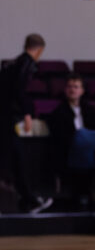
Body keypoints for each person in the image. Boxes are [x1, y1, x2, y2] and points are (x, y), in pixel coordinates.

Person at [0, 33, 52, 214]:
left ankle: (28, 199)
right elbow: (18, 91)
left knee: (15, 158)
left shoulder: (14, 63)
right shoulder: (27, 64)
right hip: (4, 118)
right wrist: (27, 114)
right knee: (3, 159)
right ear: (39, 49)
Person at [48, 75, 95, 207]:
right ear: (65, 90)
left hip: (90, 151)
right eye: (69, 86)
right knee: (81, 136)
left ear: (82, 91)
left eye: (76, 87)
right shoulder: (59, 112)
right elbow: (61, 138)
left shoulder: (90, 111)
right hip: (70, 152)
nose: (72, 90)